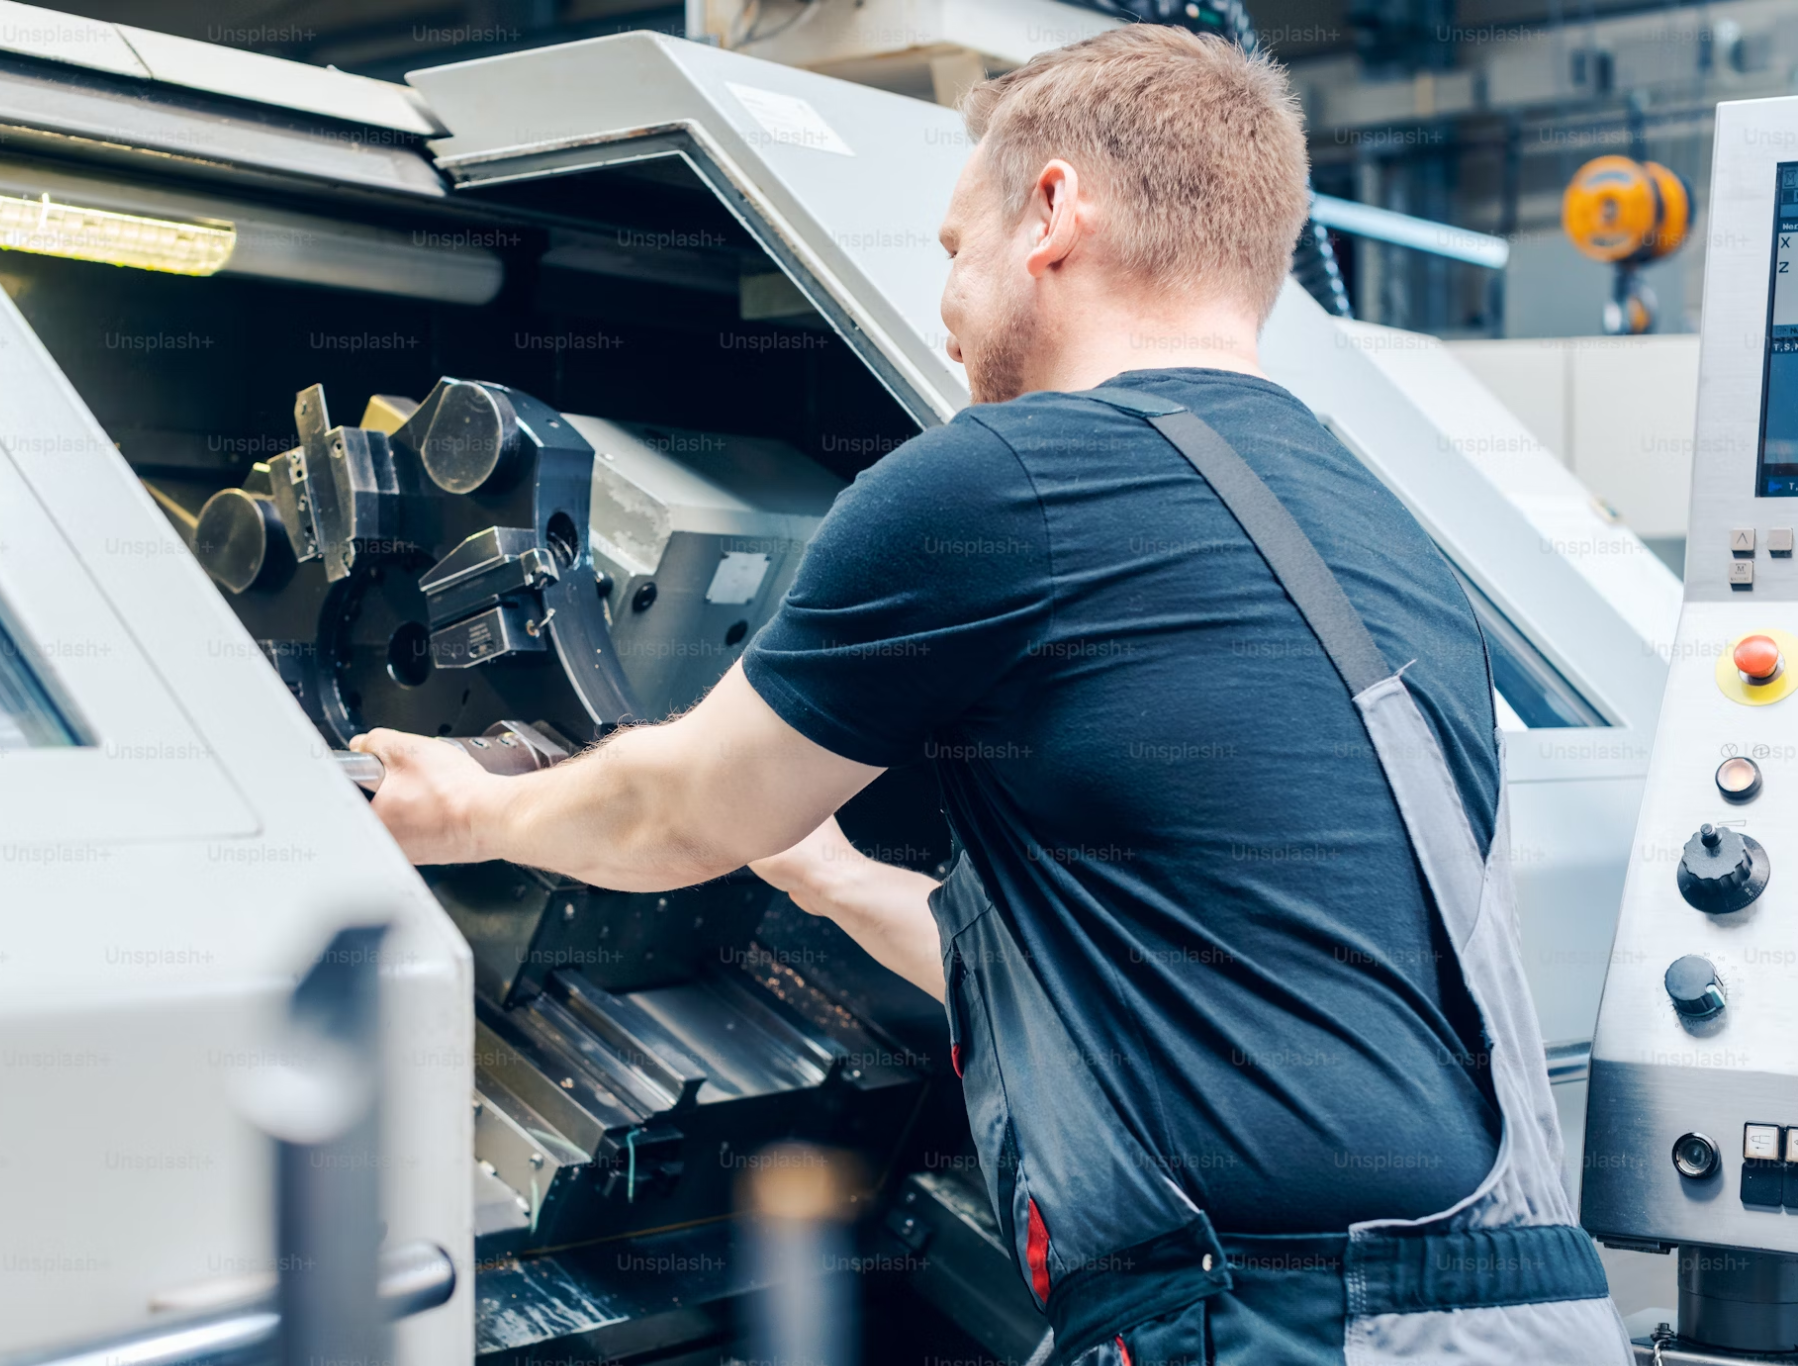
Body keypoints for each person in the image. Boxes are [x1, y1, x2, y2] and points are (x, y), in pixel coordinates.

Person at [351, 24, 1632, 1366]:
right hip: (1511, 1310)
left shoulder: (1011, 478)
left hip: (1272, 1317)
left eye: (954, 247)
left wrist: (465, 809)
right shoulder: (1386, 535)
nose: (947, 300)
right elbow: (1176, 974)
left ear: (1055, 212)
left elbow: (679, 812)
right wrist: (835, 880)